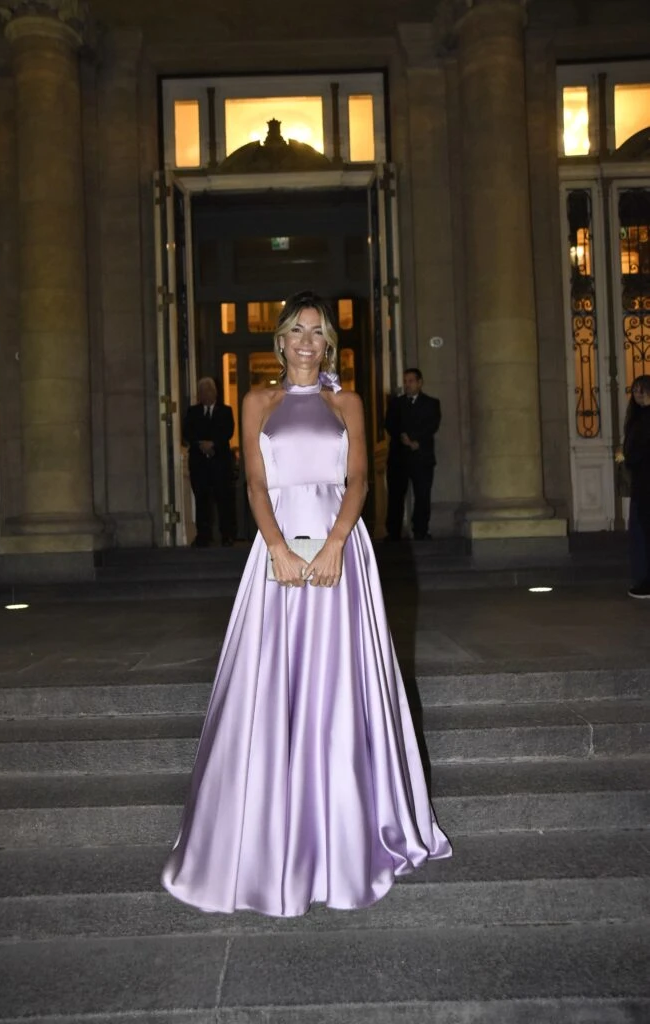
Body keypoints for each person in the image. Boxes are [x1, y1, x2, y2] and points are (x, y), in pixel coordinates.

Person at [162, 290, 451, 917]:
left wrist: (336, 546)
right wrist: (277, 549)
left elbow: (361, 481)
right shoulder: (258, 401)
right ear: (281, 338)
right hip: (275, 557)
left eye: (317, 333)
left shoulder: (344, 401)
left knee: (338, 689)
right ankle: (263, 838)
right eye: (296, 330)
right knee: (270, 689)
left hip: (341, 555)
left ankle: (346, 834)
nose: (305, 342)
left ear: (329, 346)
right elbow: (257, 483)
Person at [385, 368, 441, 541]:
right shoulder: (396, 403)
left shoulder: (431, 403)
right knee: (395, 495)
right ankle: (393, 532)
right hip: (399, 458)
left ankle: (421, 530)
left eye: (410, 381)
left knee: (422, 494)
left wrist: (417, 441)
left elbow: (432, 424)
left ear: (419, 382)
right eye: (406, 381)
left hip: (421, 456)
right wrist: (402, 436)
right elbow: (389, 423)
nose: (407, 385)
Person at [182, 377, 236, 547]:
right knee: (201, 499)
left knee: (223, 499)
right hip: (200, 464)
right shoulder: (193, 412)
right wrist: (201, 444)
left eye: (209, 391)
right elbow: (187, 431)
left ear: (215, 393)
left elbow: (228, 431)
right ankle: (203, 535)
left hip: (220, 462)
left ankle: (227, 534)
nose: (206, 394)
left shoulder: (225, 411)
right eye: (202, 392)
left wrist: (213, 444)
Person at [621, 374, 650, 598]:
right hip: (641, 482)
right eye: (636, 390)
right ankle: (643, 577)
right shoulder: (636, 417)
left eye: (643, 390)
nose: (639, 394)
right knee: (641, 529)